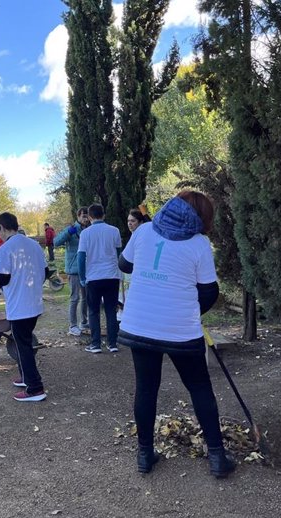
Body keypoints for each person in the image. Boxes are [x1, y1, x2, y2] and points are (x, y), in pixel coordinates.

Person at [117, 190, 235, 478]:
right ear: (201, 218)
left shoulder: (143, 231)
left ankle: (144, 454)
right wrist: (190, 310)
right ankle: (218, 457)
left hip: (139, 325)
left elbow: (124, 264)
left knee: (146, 388)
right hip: (180, 330)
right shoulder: (199, 244)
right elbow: (209, 291)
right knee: (199, 387)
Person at [0, 212, 48, 402]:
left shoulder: (6, 249)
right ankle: (26, 378)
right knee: (24, 342)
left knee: (23, 346)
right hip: (34, 302)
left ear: (2, 228)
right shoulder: (34, 245)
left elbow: (2, 278)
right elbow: (45, 271)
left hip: (19, 305)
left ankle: (35, 388)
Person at [77, 203, 122, 354]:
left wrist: (82, 277)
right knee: (111, 310)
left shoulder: (86, 233)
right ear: (104, 215)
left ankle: (95, 344)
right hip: (112, 276)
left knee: (93, 311)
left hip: (94, 277)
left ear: (89, 217)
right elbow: (118, 252)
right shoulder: (114, 231)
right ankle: (112, 343)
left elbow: (81, 256)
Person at [54, 207, 90, 336]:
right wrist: (68, 233)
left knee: (86, 298)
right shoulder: (72, 229)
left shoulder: (89, 230)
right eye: (84, 216)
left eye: (88, 216)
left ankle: (84, 321)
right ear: (78, 216)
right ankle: (73, 325)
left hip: (87, 269)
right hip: (74, 269)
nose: (86, 219)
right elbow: (56, 242)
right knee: (75, 298)